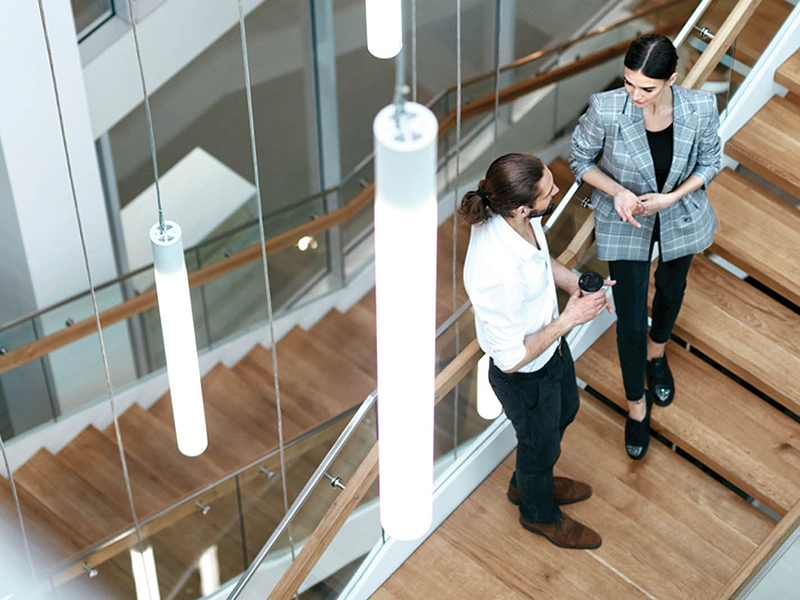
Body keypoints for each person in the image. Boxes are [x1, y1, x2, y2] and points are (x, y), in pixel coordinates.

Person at [569, 34, 722, 460]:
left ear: (671, 79)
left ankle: (658, 354)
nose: (634, 95)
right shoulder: (606, 108)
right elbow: (580, 160)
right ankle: (636, 405)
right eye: (628, 83)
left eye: (647, 88)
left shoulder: (700, 108)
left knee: (672, 289)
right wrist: (616, 191)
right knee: (630, 318)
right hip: (626, 218)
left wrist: (673, 197)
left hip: (679, 212)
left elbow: (711, 162)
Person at [461, 153, 614, 550]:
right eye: (549, 191)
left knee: (567, 411)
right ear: (522, 206)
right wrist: (570, 318)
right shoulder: (495, 271)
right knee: (538, 446)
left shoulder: (516, 218)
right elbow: (510, 359)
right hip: (524, 377)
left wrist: (572, 283)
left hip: (551, 353)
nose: (558, 190)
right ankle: (537, 513)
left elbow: (540, 260)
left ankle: (528, 482)